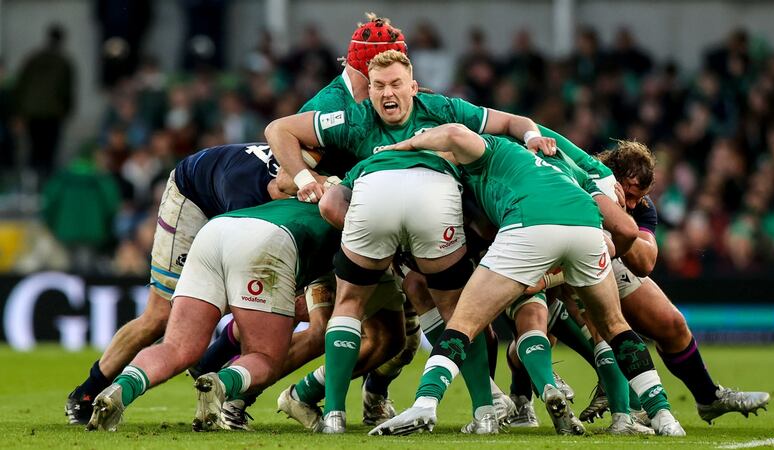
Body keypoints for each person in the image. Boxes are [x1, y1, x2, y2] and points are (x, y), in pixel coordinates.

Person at [65, 13, 413, 428]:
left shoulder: (379, 105)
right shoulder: (327, 110)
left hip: (273, 215)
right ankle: (88, 390)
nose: (385, 87)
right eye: (377, 76)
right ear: (359, 69)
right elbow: (285, 178)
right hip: (200, 192)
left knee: (318, 324)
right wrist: (312, 181)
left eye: (395, 78)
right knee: (167, 315)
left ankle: (227, 386)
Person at [265, 49, 561, 434]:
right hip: (435, 210)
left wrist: (307, 182)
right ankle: (485, 412)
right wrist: (533, 137)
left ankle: (334, 415)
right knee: (458, 311)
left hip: (374, 207)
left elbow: (283, 135)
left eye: (395, 85)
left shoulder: (392, 114)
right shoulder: (377, 113)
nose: (388, 94)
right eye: (379, 86)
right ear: (368, 90)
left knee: (351, 303)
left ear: (414, 87)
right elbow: (512, 123)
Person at [368, 124, 686, 437]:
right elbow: (622, 232)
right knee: (614, 326)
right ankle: (663, 415)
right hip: (586, 228)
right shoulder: (559, 161)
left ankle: (425, 402)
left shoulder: (487, 150)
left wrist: (403, 146)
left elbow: (453, 135)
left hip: (528, 226)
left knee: (463, 322)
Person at [85, 198, 340, 431]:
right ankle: (221, 384)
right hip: (269, 242)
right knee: (265, 357)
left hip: (215, 230)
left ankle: (120, 389)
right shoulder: (354, 221)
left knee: (177, 346)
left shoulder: (321, 195)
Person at [579, 141, 770, 424]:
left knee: (672, 323)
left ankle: (708, 397)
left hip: (607, 260)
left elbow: (645, 263)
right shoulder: (579, 186)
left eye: (639, 197)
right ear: (611, 177)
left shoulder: (640, 207)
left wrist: (620, 217)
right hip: (565, 262)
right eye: (630, 194)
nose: (633, 203)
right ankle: (519, 397)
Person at [15, 23, 74, 176]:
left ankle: (31, 180)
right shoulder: (64, 62)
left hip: (33, 111)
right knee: (49, 150)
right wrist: (67, 111)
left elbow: (21, 85)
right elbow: (67, 91)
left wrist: (19, 110)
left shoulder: (33, 59)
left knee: (34, 148)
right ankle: (45, 181)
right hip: (53, 113)